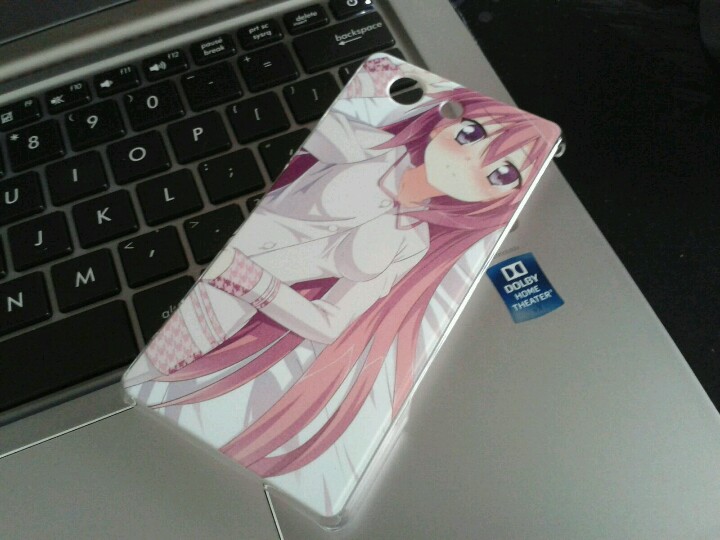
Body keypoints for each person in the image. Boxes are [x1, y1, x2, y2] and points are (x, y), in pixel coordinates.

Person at [124, 56, 559, 514]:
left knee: (172, 452)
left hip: (232, 308)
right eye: (470, 134)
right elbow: (331, 131)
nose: (470, 161)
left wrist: (256, 284)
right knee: (149, 411)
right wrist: (368, 89)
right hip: (210, 293)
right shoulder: (371, 148)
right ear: (441, 126)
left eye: (501, 174)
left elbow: (331, 321)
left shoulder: (412, 242)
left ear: (501, 198)